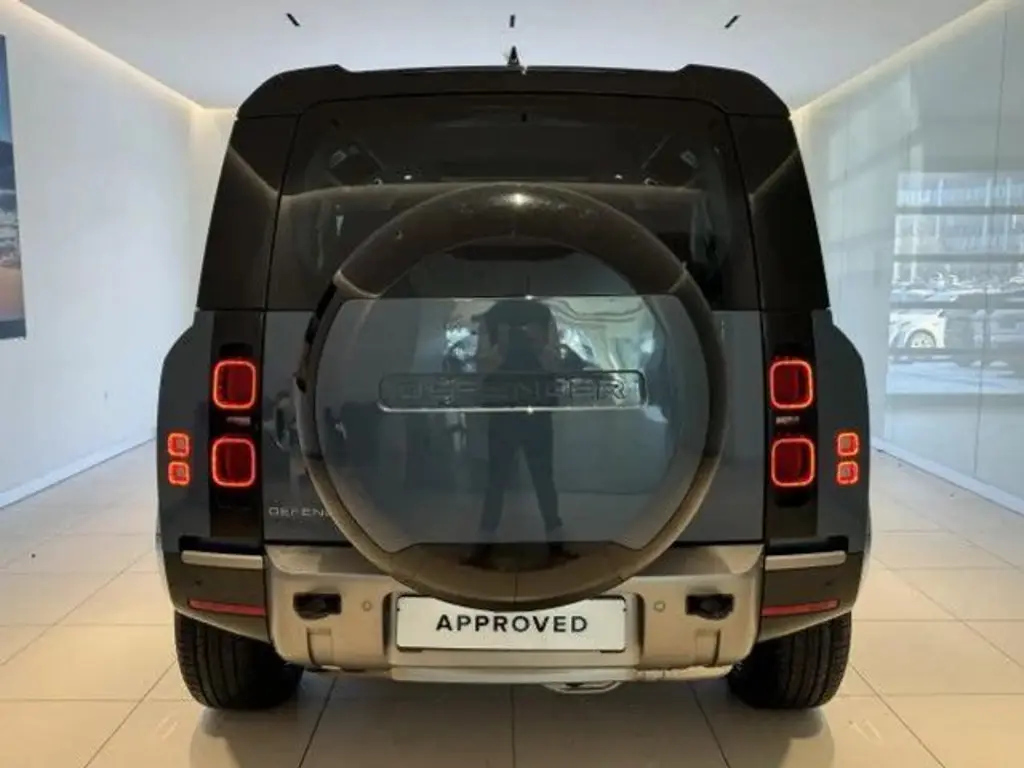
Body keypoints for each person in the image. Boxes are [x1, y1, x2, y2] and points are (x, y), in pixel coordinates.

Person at [464, 298, 584, 567]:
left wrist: (538, 344)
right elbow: (482, 367)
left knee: (542, 479)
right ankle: (484, 543)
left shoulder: (541, 314)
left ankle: (555, 542)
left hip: (536, 410)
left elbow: (554, 365)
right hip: (503, 411)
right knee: (497, 480)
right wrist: (502, 347)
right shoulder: (494, 316)